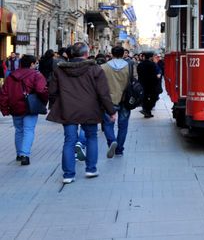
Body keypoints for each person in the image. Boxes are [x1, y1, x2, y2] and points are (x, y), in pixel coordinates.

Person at [47, 42, 116, 184]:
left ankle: (68, 174)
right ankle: (91, 169)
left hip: (67, 109)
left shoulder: (59, 70)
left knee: (69, 140)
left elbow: (52, 92)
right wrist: (111, 111)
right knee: (91, 137)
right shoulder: (95, 69)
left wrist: (56, 107)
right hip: (89, 109)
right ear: (86, 53)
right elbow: (103, 93)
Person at [0, 54, 48, 166]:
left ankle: (19, 154)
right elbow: (42, 90)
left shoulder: (11, 76)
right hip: (30, 107)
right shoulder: (36, 75)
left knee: (19, 130)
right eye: (35, 63)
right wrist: (44, 102)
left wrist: (4, 109)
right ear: (31, 64)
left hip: (15, 106)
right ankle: (25, 155)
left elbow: (4, 93)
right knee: (28, 130)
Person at [100, 46, 134, 158]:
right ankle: (119, 150)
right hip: (125, 99)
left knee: (108, 124)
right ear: (123, 53)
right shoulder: (130, 66)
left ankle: (111, 141)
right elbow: (135, 80)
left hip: (109, 100)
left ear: (111, 53)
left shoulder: (103, 67)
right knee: (123, 125)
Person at [137, 52, 159, 118]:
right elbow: (154, 74)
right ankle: (147, 110)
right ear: (150, 57)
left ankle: (146, 111)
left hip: (142, 83)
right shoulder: (152, 64)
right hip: (151, 84)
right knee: (154, 98)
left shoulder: (140, 64)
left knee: (144, 97)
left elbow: (139, 74)